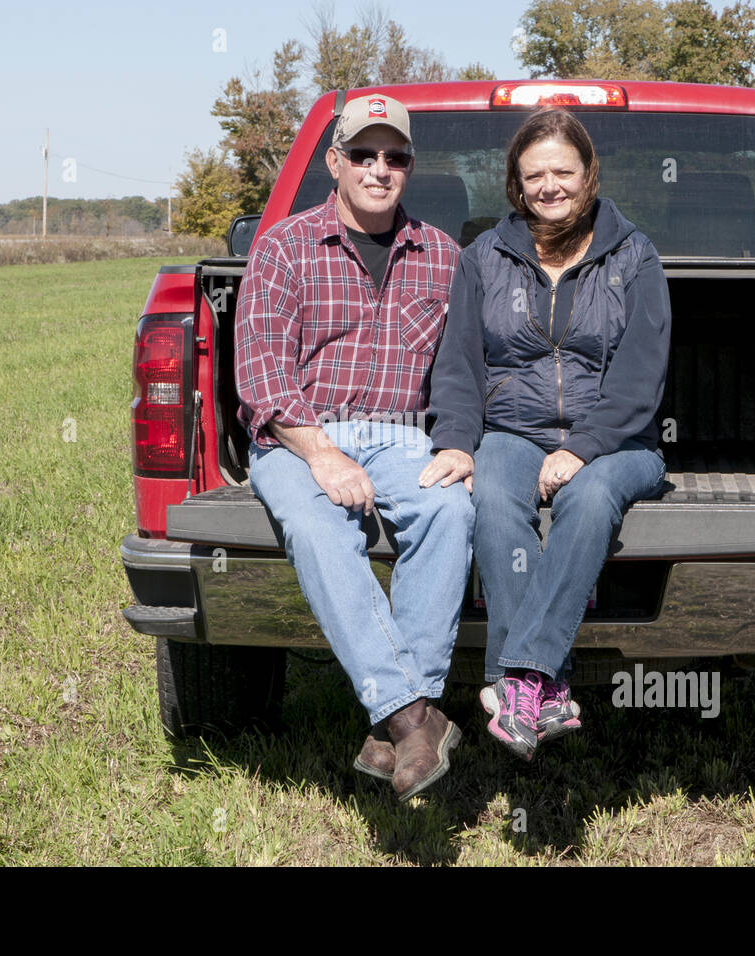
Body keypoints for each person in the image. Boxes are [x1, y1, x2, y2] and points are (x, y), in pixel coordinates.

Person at [236, 94, 473, 800]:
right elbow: (261, 373)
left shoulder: (445, 256)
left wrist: (459, 444)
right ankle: (411, 719)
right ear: (334, 161)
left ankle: (396, 727)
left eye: (394, 157)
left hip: (403, 435)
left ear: (409, 168)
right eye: (363, 155)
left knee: (450, 513)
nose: (379, 168)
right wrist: (321, 454)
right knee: (316, 526)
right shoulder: (283, 245)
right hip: (298, 435)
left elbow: (463, 372)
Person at [420, 108, 671, 761]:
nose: (549, 185)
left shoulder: (634, 256)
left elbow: (641, 379)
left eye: (563, 170)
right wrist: (454, 439)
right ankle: (542, 693)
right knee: (494, 495)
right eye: (535, 175)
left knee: (588, 499)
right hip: (511, 429)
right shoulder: (484, 258)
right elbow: (459, 364)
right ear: (516, 182)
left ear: (589, 175)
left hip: (619, 443)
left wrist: (581, 450)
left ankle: (521, 677)